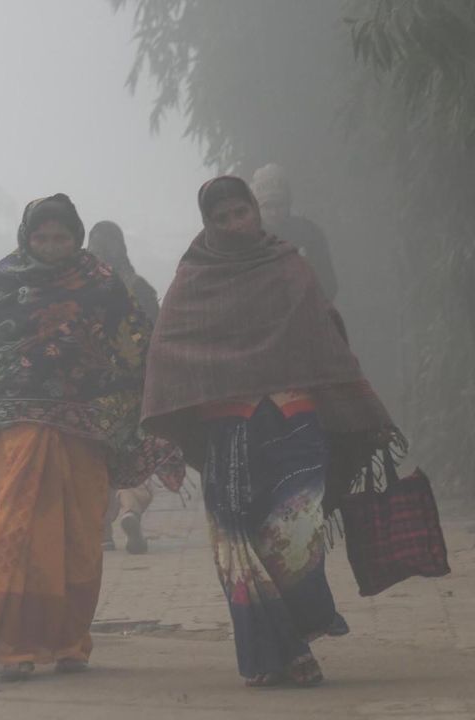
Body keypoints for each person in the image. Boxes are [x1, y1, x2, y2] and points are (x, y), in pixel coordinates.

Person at [141, 176, 398, 688]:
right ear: (208, 224)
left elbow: (323, 336)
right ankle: (287, 654)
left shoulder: (289, 265)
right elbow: (168, 350)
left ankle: (295, 635)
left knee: (294, 536)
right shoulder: (194, 278)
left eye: (242, 212)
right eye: (222, 218)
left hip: (292, 420)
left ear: (255, 211)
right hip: (228, 430)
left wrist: (357, 408)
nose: (235, 224)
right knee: (237, 542)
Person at [0, 194, 183, 681]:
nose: (51, 246)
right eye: (42, 237)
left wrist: (157, 413)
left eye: (61, 237)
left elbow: (136, 347)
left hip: (87, 432)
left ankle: (70, 642)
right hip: (21, 431)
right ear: (27, 238)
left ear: (77, 238)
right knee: (19, 532)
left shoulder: (102, 283)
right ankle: (14, 646)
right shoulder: (4, 281)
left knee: (80, 538)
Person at [87, 220, 162, 554]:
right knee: (132, 456)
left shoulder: (79, 288)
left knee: (97, 460)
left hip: (92, 391)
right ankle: (131, 510)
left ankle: (102, 531)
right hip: (133, 389)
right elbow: (157, 337)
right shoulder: (139, 286)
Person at [251, 163, 339, 300]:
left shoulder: (310, 233)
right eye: (267, 206)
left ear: (289, 203)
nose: (274, 212)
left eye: (279, 205)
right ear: (256, 208)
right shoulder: (249, 238)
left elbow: (328, 283)